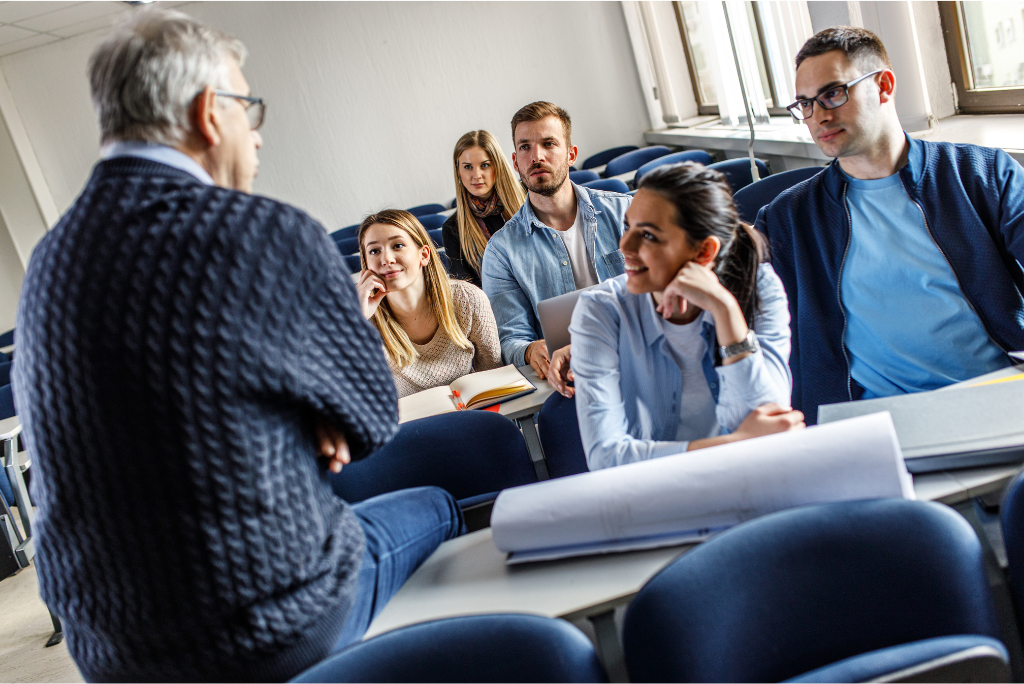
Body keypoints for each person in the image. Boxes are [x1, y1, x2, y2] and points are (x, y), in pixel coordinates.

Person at [11, 10, 461, 682]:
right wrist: (316, 411)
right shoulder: (265, 232)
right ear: (207, 113)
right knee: (438, 504)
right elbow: (370, 418)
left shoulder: (48, 263)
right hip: (263, 630)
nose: (254, 138)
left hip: (110, 654)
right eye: (248, 110)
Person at [756, 26, 1024, 424]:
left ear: (883, 86)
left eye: (833, 93)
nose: (820, 116)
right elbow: (758, 334)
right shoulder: (787, 220)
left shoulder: (982, 175)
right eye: (805, 104)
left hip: (996, 396)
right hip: (872, 421)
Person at [571, 163, 804, 470]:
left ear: (704, 252)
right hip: (662, 496)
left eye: (649, 236)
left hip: (753, 480)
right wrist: (734, 444)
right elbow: (606, 458)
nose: (624, 247)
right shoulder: (600, 309)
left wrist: (725, 310)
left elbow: (770, 419)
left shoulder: (758, 285)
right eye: (628, 227)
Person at [481, 101, 630, 381]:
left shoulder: (625, 213)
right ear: (515, 162)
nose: (536, 156)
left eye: (549, 143)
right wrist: (529, 350)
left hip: (641, 353)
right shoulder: (501, 251)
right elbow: (511, 337)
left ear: (571, 154)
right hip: (575, 377)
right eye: (525, 147)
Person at [355, 209, 502, 397]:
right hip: (407, 425)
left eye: (398, 245)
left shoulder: (468, 299)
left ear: (424, 255)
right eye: (374, 251)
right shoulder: (362, 320)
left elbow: (495, 376)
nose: (386, 259)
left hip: (472, 419)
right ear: (366, 264)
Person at [442, 130, 526, 287]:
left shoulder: (528, 195)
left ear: (498, 165)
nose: (477, 175)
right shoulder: (453, 228)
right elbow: (468, 291)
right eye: (468, 167)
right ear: (458, 171)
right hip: (496, 306)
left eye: (485, 165)